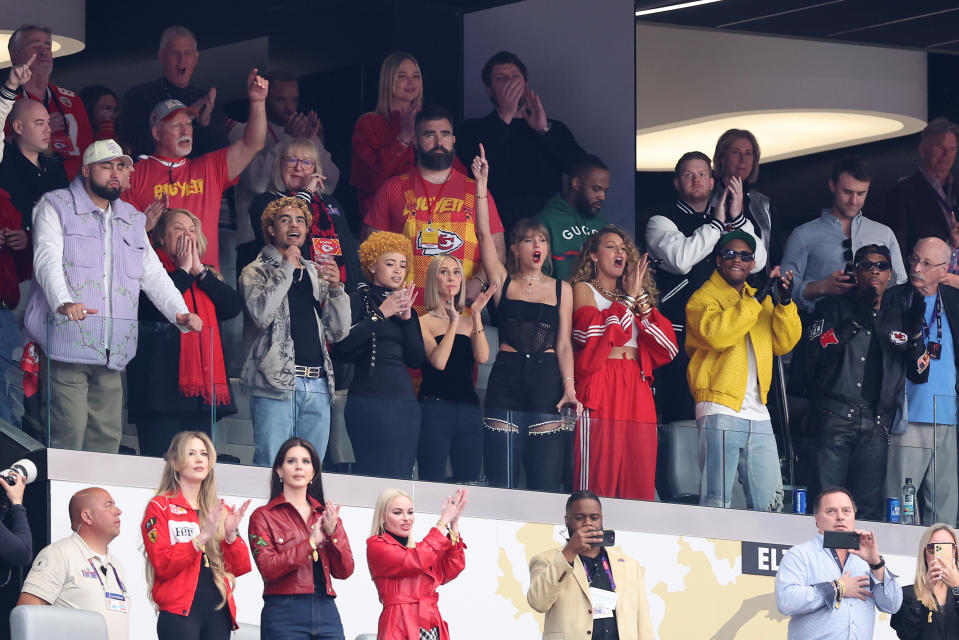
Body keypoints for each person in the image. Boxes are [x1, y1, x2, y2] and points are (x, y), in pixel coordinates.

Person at [22, 139, 202, 453]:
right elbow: (46, 260)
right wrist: (63, 301)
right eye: (107, 166)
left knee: (105, 442)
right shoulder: (55, 205)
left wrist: (180, 312)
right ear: (87, 169)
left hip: (114, 351)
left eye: (121, 166)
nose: (115, 173)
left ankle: (98, 503)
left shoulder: (132, 218)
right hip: (67, 343)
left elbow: (153, 273)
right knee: (68, 437)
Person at [645, 152, 767, 499]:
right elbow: (682, 260)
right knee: (678, 419)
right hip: (678, 340)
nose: (696, 180)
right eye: (688, 174)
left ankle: (719, 499)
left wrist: (738, 216)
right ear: (676, 182)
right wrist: (716, 225)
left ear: (713, 181)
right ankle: (676, 496)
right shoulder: (660, 220)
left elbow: (757, 262)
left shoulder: (732, 220)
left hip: (729, 341)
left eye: (702, 174)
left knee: (721, 425)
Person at [472, 143, 578, 491]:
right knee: (502, 474)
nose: (537, 244)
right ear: (515, 248)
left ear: (547, 248)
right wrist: (482, 187)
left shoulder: (563, 288)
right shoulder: (503, 282)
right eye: (529, 239)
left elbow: (563, 345)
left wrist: (569, 389)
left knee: (545, 479)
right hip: (506, 375)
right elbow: (484, 236)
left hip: (547, 379)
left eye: (543, 240)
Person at [804, 244, 928, 520]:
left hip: (876, 423)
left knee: (868, 511)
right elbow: (812, 356)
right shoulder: (833, 307)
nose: (874, 271)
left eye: (881, 266)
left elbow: (920, 374)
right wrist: (850, 325)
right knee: (826, 505)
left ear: (890, 274)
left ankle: (860, 564)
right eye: (867, 266)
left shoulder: (899, 314)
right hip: (834, 418)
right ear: (855, 272)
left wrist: (916, 335)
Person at [685, 231, 802, 510]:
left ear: (753, 264)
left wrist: (784, 303)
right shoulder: (703, 298)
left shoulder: (758, 300)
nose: (737, 259)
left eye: (745, 256)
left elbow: (783, 344)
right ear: (717, 261)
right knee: (717, 500)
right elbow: (717, 335)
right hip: (719, 407)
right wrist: (757, 300)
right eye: (730, 253)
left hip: (758, 412)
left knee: (770, 503)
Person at [568, 226, 678, 500]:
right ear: (593, 255)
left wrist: (638, 298)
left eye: (623, 248)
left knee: (638, 473)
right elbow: (589, 333)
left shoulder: (637, 300)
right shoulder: (583, 289)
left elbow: (668, 347)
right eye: (610, 246)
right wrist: (628, 299)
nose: (620, 252)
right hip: (601, 380)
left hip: (637, 384)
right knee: (596, 477)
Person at [239, 196, 350, 466]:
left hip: (318, 382)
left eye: (300, 220)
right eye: (285, 219)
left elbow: (338, 332)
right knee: (271, 464)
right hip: (276, 383)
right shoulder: (255, 271)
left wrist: (336, 290)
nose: (294, 224)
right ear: (271, 229)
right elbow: (261, 315)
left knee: (311, 469)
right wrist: (287, 266)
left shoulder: (315, 272)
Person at [121, 67, 269, 270]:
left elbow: (252, 144)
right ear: (156, 133)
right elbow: (119, 236)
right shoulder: (133, 174)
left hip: (206, 283)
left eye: (188, 124)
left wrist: (258, 102)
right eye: (175, 125)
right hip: (159, 286)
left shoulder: (209, 167)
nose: (185, 130)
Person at [363, 104, 505, 311]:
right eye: (430, 135)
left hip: (463, 310)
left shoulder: (476, 190)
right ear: (415, 141)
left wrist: (479, 283)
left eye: (445, 134)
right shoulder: (392, 188)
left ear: (453, 139)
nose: (439, 142)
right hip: (405, 313)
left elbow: (498, 251)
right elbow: (371, 252)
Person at [126, 208, 242, 457]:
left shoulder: (205, 275)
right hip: (160, 392)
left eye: (192, 230)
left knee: (197, 470)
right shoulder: (148, 272)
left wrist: (199, 272)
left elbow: (232, 308)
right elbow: (151, 310)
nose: (187, 235)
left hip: (201, 396)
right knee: (160, 466)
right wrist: (181, 271)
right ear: (159, 238)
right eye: (179, 229)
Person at [457, 51, 585, 234]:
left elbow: (582, 170)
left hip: (546, 234)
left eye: (515, 76)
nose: (510, 82)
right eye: (501, 78)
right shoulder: (473, 129)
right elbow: (471, 170)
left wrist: (544, 130)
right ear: (489, 90)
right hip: (495, 232)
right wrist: (504, 117)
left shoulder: (552, 128)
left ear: (525, 84)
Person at [141, 431, 252, 640]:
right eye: (191, 453)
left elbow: (240, 567)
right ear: (174, 462)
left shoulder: (220, 508)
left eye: (204, 453)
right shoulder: (160, 506)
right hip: (179, 612)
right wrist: (202, 537)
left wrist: (230, 536)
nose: (200, 459)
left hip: (219, 610)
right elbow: (162, 564)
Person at [332, 232, 425, 479]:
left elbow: (416, 360)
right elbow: (342, 348)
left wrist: (406, 321)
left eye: (403, 264)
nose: (398, 271)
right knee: (373, 473)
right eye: (390, 263)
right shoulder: (357, 300)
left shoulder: (408, 309)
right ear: (372, 265)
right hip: (368, 399)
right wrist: (380, 314)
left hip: (403, 402)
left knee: (402, 475)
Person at [885, 238, 959, 526]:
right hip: (908, 416)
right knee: (901, 507)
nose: (916, 268)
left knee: (945, 509)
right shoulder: (894, 299)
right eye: (914, 259)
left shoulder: (952, 300)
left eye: (927, 264)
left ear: (945, 269)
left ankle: (941, 568)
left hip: (948, 418)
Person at [248, 437, 354, 640]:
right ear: (279, 470)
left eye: (306, 462)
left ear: (313, 472)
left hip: (326, 607)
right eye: (291, 461)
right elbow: (268, 569)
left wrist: (333, 534)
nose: (299, 467)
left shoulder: (325, 515)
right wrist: (311, 543)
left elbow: (345, 571)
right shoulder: (263, 516)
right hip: (283, 610)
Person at [782, 155, 907, 314]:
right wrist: (822, 287)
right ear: (832, 186)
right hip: (821, 326)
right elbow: (782, 291)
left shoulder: (884, 233)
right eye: (847, 192)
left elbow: (901, 286)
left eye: (861, 193)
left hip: (875, 329)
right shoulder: (802, 235)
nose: (853, 200)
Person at [775, 487, 902, 639]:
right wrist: (837, 588)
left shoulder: (867, 559)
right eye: (831, 511)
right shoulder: (800, 554)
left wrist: (876, 563)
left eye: (846, 511)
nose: (840, 517)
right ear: (817, 518)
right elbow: (786, 601)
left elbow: (892, 605)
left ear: (854, 516)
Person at [527, 490, 654, 640]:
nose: (588, 523)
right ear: (567, 520)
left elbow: (643, 622)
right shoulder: (546, 560)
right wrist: (570, 552)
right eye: (579, 518)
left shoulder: (629, 565)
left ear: (601, 519)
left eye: (594, 517)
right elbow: (538, 602)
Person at [231, 70, 338, 243]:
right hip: (254, 240)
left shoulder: (302, 131)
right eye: (281, 100)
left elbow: (330, 184)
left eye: (294, 100)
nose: (289, 107)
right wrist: (287, 138)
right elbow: (258, 183)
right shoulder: (243, 131)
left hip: (298, 241)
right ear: (265, 98)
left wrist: (313, 140)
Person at [417, 254, 495, 483]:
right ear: (434, 279)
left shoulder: (470, 322)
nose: (451, 277)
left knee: (469, 481)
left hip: (468, 409)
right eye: (444, 272)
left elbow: (482, 356)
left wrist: (477, 315)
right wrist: (452, 323)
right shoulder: (423, 322)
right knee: (431, 478)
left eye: (456, 272)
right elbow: (439, 362)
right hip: (434, 408)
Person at [246, 138, 361, 291]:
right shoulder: (265, 201)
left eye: (307, 162)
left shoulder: (329, 202)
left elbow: (348, 248)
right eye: (292, 160)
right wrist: (305, 193)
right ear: (280, 165)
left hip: (337, 289)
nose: (299, 167)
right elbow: (279, 235)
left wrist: (359, 284)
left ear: (315, 169)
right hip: (294, 289)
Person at [18, 487, 128, 640]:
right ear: (87, 516)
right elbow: (25, 617)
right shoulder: (58, 554)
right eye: (108, 505)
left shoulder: (115, 566)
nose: (118, 511)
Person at [366, 487, 467, 640]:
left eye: (410, 512)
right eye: (397, 512)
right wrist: (443, 521)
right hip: (399, 627)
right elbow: (415, 561)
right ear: (382, 517)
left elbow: (450, 570)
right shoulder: (377, 545)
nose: (406, 518)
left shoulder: (420, 550)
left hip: (431, 626)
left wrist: (454, 525)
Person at [118, 26, 229, 159]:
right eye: (175, 53)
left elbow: (222, 159)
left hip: (199, 179)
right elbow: (134, 148)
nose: (181, 61)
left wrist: (204, 123)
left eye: (187, 53)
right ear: (161, 57)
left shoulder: (207, 101)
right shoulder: (138, 96)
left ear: (196, 58)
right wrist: (184, 117)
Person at [4, 25, 93, 180]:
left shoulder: (72, 99)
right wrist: (36, 132)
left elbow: (89, 152)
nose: (44, 52)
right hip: (25, 188)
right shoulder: (5, 100)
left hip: (75, 192)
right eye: (34, 46)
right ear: (14, 55)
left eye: (47, 46)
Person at [882, 118, 959, 269]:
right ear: (923, 150)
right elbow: (897, 250)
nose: (946, 155)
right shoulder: (902, 192)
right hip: (924, 285)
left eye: (952, 149)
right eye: (940, 148)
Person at [535, 154, 611, 281]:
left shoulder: (604, 226)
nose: (602, 196)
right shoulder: (544, 222)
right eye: (596, 189)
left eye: (605, 191)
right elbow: (535, 278)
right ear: (576, 184)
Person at [0, 97, 68, 232]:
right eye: (39, 123)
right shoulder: (4, 164)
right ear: (18, 127)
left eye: (48, 123)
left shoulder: (54, 164)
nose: (48, 129)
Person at [710, 129, 777, 262]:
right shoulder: (707, 200)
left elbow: (774, 253)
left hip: (758, 280)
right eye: (736, 152)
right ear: (722, 158)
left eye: (748, 153)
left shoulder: (763, 203)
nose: (742, 160)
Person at [890, 522, 959, 639]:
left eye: (948, 547)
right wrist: (925, 593)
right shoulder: (905, 594)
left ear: (955, 552)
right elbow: (906, 635)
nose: (940, 554)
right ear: (924, 553)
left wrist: (957, 587)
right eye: (933, 547)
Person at [0, 189, 29, 428]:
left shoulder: (5, 202)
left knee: (11, 396)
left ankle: (10, 462)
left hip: (3, 310)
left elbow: (23, 269)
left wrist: (25, 240)